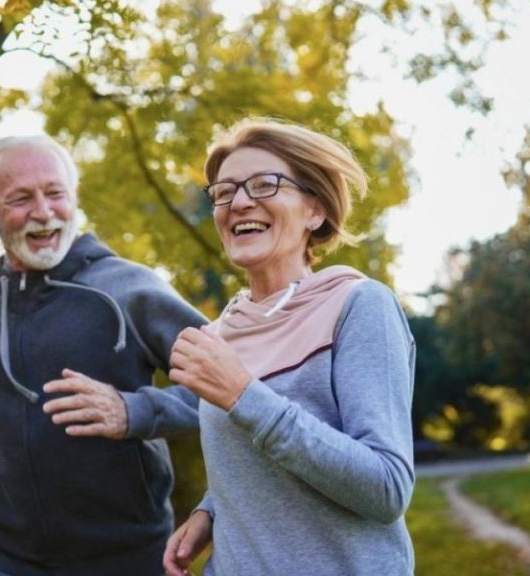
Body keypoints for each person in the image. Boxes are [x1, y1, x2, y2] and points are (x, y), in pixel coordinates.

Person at [0, 134, 206, 576]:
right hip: (10, 563)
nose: (43, 212)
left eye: (55, 193)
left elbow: (232, 390)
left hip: (128, 558)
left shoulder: (129, 289)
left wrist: (134, 411)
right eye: (20, 198)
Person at [164, 118, 416, 576]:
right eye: (224, 191)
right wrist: (211, 511)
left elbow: (386, 488)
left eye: (264, 185)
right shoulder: (220, 333)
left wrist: (244, 394)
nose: (239, 202)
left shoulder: (358, 306)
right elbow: (257, 465)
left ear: (314, 211)